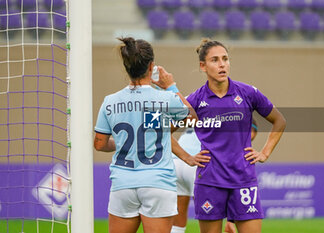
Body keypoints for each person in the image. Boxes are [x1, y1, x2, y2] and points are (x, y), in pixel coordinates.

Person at [93, 37, 210, 233]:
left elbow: (99, 144)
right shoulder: (163, 99)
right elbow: (192, 118)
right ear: (151, 66)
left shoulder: (110, 101)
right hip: (157, 183)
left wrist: (122, 143)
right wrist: (171, 86)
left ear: (126, 66)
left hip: (123, 184)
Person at [172, 38, 286, 233]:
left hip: (243, 180)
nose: (222, 64)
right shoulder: (195, 100)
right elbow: (165, 131)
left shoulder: (248, 93)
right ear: (203, 66)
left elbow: (279, 121)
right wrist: (187, 157)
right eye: (215, 60)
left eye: (225, 58)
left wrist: (264, 153)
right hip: (209, 181)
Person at [170, 119, 259, 233]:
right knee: (209, 214)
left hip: (176, 160)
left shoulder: (200, 109)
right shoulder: (230, 123)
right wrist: (230, 221)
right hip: (198, 161)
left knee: (178, 221)